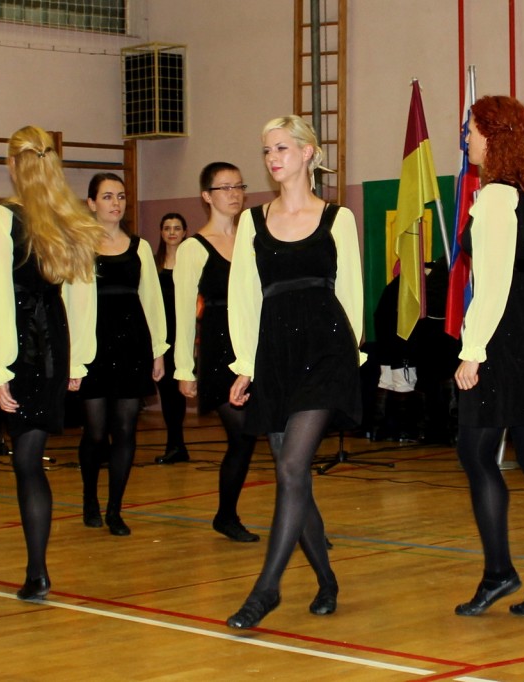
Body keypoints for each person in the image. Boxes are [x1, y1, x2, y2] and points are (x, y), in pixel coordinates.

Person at [225, 116, 363, 628]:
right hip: (276, 353)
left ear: (308, 152)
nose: (272, 158)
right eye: (267, 150)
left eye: (282, 148)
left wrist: (353, 358)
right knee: (294, 475)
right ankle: (326, 580)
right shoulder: (252, 221)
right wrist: (245, 364)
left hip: (327, 350)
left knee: (289, 468)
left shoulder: (338, 218)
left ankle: (266, 590)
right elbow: (243, 296)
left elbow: (351, 292)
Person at [0, 126, 100, 600]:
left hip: (1, 344)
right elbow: (83, 298)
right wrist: (77, 362)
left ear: (12, 165)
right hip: (50, 346)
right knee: (29, 463)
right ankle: (37, 573)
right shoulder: (73, 220)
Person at [452, 95, 524, 617]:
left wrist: (472, 351)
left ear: (494, 135)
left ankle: (499, 573)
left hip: (503, 334)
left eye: (471, 129)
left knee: (476, 453)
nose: (466, 138)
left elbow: (494, 283)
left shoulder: (497, 198)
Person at [77, 172, 167, 537]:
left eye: (121, 196)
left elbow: (153, 301)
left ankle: (115, 509)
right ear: (91, 203)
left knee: (126, 429)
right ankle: (89, 498)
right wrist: (73, 357)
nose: (116, 203)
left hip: (132, 344)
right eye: (107, 196)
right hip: (93, 346)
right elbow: (71, 303)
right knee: (96, 431)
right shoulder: (79, 245)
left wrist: (158, 351)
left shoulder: (140, 247)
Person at [173, 162, 259, 542]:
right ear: (206, 196)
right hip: (219, 349)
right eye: (225, 187)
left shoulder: (253, 238)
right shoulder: (194, 248)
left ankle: (233, 516)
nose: (234, 194)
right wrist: (184, 369)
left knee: (260, 437)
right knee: (242, 434)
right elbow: (183, 313)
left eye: (239, 186)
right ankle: (226, 515)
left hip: (254, 345)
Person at [153, 213, 189, 464]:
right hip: (161, 335)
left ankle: (177, 445)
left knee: (179, 389)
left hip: (183, 333)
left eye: (177, 228)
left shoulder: (190, 262)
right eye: (167, 228)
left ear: (185, 232)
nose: (172, 232)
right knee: (166, 391)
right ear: (161, 232)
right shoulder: (154, 264)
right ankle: (175, 445)